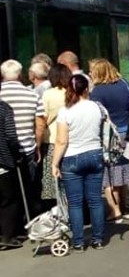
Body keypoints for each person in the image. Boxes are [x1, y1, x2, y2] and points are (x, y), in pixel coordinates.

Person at [51, 73, 106, 251]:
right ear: (86, 89)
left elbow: (61, 141)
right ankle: (98, 239)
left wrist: (54, 163)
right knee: (95, 200)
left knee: (75, 203)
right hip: (95, 154)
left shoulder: (65, 111)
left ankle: (79, 241)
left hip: (72, 158)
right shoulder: (97, 107)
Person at [0, 59, 46, 219]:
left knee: (6, 191)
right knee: (29, 187)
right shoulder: (31, 94)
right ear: (20, 75)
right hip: (27, 147)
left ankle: (11, 225)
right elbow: (40, 124)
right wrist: (38, 146)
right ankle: (30, 220)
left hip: (2, 150)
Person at [89, 58, 129, 223]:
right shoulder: (124, 84)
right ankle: (127, 206)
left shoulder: (98, 92)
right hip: (127, 132)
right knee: (124, 170)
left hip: (109, 137)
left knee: (110, 174)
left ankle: (115, 211)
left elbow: (95, 115)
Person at [41, 63, 71, 206]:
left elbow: (43, 117)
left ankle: (58, 211)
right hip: (71, 140)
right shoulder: (72, 92)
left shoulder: (48, 94)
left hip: (53, 139)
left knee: (53, 181)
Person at [0, 99, 21, 249]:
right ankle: (7, 236)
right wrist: (16, 154)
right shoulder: (3, 107)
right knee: (8, 200)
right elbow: (11, 136)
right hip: (2, 160)